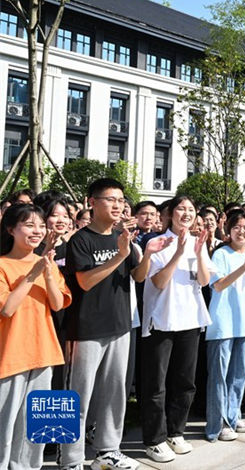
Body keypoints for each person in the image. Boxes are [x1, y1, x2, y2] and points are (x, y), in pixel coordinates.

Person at [59, 179, 170, 470]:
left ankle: (107, 450)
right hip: (86, 330)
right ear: (91, 203)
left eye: (121, 200)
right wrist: (120, 254)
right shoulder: (81, 240)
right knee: (77, 395)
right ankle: (70, 458)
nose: (118, 205)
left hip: (120, 326)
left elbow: (139, 276)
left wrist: (147, 254)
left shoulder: (124, 238)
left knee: (114, 392)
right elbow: (84, 281)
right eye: (111, 199)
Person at [139, 196, 212, 463]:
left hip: (190, 320)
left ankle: (175, 431)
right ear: (169, 214)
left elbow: (204, 281)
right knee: (156, 384)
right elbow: (158, 282)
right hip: (161, 321)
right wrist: (179, 253)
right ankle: (154, 439)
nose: (187, 213)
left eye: (192, 209)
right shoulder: (158, 243)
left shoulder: (198, 243)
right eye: (181, 208)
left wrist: (197, 251)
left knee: (185, 381)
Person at [0, 204, 71, 470]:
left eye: (41, 225)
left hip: (44, 352)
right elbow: (7, 309)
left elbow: (56, 304)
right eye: (29, 225)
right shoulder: (3, 265)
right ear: (11, 229)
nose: (37, 230)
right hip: (10, 356)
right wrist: (32, 273)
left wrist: (48, 271)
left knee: (36, 426)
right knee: (4, 426)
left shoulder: (45, 262)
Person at [204, 210, 245, 441]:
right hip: (223, 323)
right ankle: (216, 424)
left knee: (239, 374)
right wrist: (243, 267)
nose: (242, 231)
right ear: (229, 230)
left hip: (244, 323)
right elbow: (218, 285)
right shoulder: (221, 254)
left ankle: (232, 417)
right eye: (237, 227)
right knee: (219, 376)